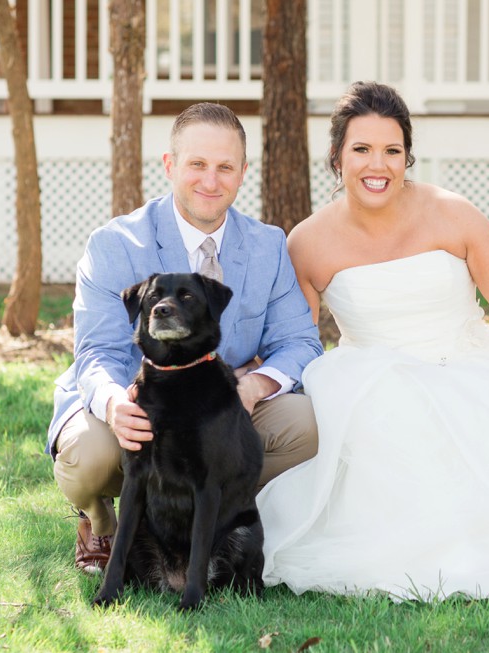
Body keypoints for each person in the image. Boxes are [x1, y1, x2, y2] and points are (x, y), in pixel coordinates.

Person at [256, 82, 489, 601]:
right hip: (373, 389)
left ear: (408, 157)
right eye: (362, 149)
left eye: (393, 151)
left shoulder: (454, 214)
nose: (379, 165)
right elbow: (296, 345)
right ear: (336, 157)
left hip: (475, 373)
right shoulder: (307, 242)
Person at [47, 102, 323, 574]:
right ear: (170, 166)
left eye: (225, 167)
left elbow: (301, 341)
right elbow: (99, 352)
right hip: (142, 404)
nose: (210, 181)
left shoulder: (268, 245)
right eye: (197, 164)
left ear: (243, 173)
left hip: (221, 408)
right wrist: (115, 405)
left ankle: (211, 515)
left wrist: (255, 386)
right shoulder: (115, 244)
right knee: (90, 455)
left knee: (307, 424)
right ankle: (102, 524)